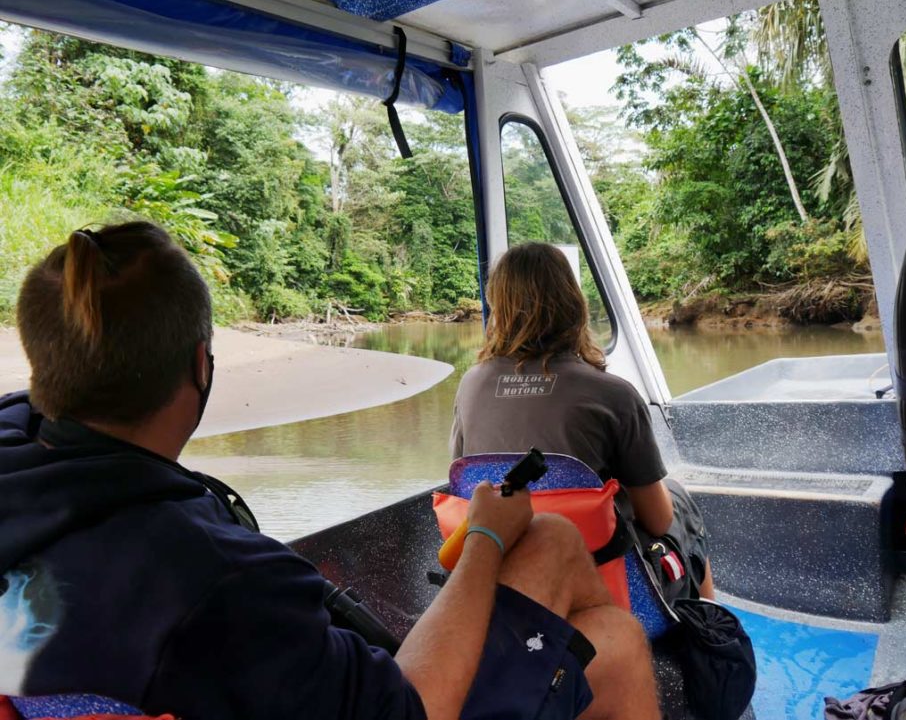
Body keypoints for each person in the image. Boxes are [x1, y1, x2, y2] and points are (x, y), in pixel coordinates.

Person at [0, 222, 661, 720]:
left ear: (46, 365)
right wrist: (485, 537)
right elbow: (411, 706)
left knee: (553, 541)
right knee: (619, 639)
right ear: (202, 364)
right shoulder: (219, 577)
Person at [451, 242, 714, 599]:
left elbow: (462, 482)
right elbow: (657, 521)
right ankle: (711, 636)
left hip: (503, 568)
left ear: (498, 307)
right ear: (573, 303)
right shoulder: (613, 395)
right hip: (592, 579)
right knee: (681, 506)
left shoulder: (471, 384)